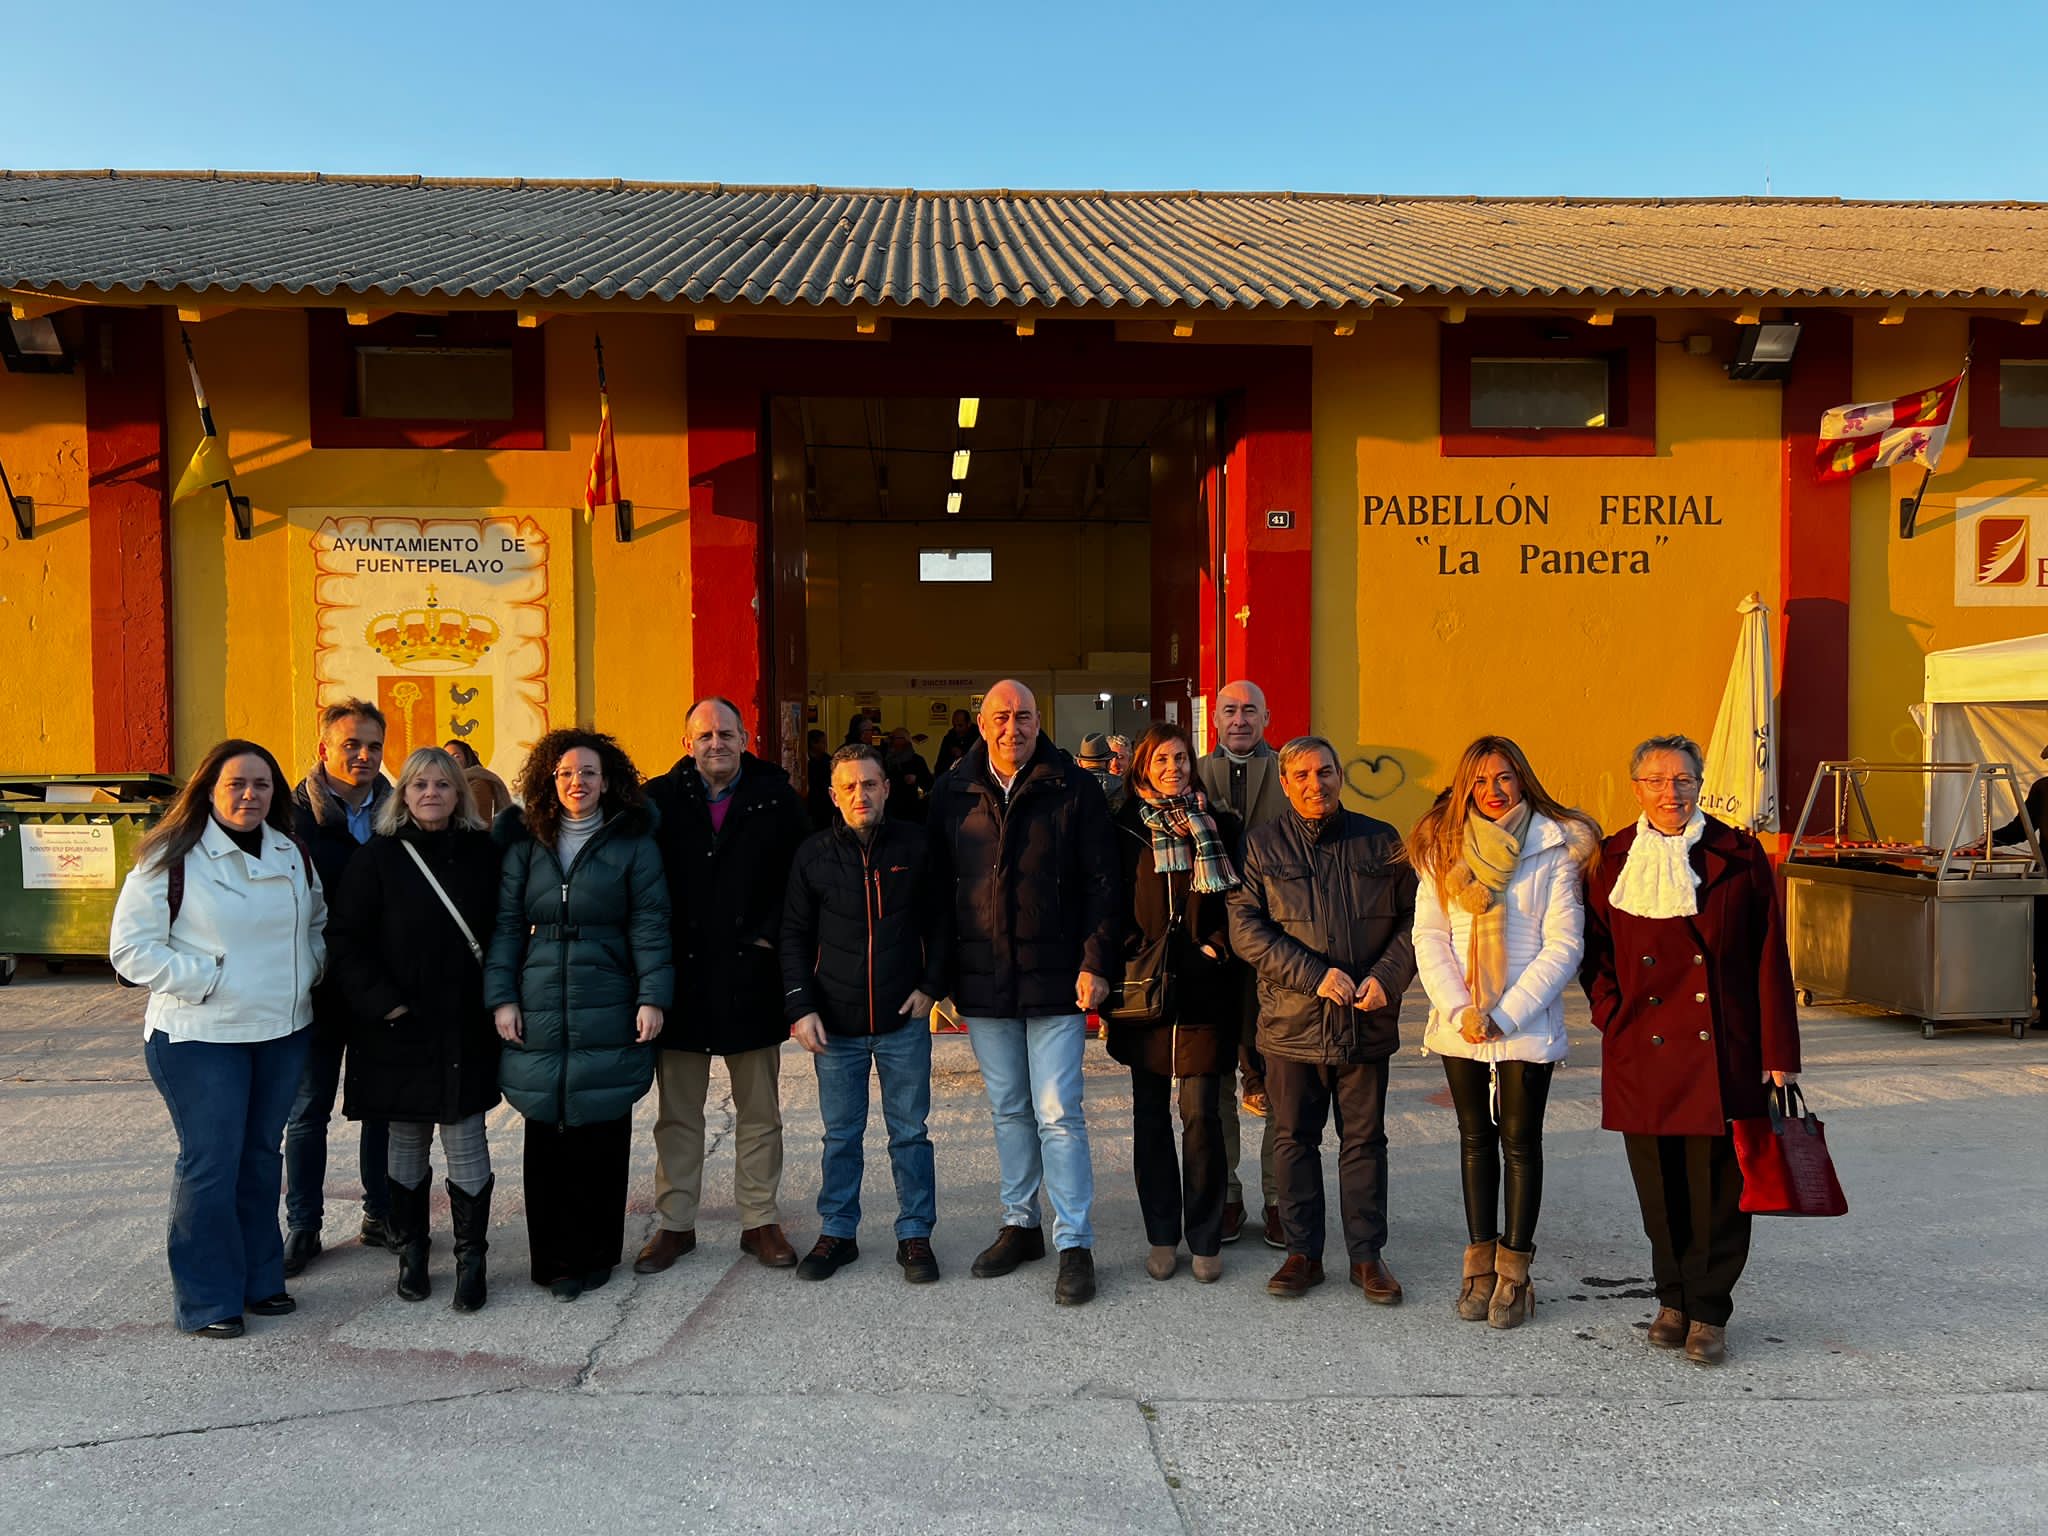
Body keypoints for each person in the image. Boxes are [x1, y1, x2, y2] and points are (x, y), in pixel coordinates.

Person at [1580, 733, 1802, 1366]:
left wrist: (1778, 1048)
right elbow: (1594, 948)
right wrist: (1610, 1013)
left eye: (1682, 780)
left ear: (1699, 784)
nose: (1669, 792)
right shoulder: (1611, 856)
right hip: (1641, 1048)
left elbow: (1769, 954)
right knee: (1659, 1187)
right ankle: (1671, 1299)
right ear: (1636, 787)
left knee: (1721, 1191)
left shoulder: (1739, 853)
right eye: (1656, 781)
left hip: (1724, 1044)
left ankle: (1710, 1311)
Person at [110, 740, 323, 1338]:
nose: (251, 795)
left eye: (262, 784)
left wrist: (310, 968)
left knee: (259, 1158)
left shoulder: (291, 852)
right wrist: (207, 978)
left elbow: (317, 922)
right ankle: (208, 1299)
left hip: (281, 1031)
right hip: (200, 1035)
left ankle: (261, 1280)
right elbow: (129, 949)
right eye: (237, 784)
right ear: (208, 790)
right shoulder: (171, 857)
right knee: (211, 1163)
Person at [927, 678, 1120, 1306]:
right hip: (983, 980)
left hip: (1059, 977)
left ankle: (1075, 1242)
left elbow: (1102, 884)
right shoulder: (952, 792)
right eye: (1002, 716)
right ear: (981, 724)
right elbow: (937, 889)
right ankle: (1020, 1224)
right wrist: (941, 977)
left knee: (1059, 1113)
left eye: (1026, 715)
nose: (1015, 727)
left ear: (1041, 722)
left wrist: (1096, 961)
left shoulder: (1075, 788)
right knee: (1009, 1110)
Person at [1407, 737, 1600, 1329]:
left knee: (1520, 1141)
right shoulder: (1443, 847)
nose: (1494, 791)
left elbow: (1565, 942)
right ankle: (1479, 1261)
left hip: (1524, 1018)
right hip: (1461, 1018)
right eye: (1482, 780)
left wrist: (1506, 1013)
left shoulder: (1553, 846)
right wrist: (1461, 1008)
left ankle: (1515, 1272)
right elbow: (1429, 936)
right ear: (1466, 785)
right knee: (1473, 1138)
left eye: (1506, 778)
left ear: (1523, 781)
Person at [484, 730, 673, 1301]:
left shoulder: (633, 842)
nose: (577, 783)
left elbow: (650, 922)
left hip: (609, 989)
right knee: (546, 1128)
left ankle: (595, 1255)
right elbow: (508, 926)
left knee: (603, 1127)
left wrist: (652, 996)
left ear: (607, 780)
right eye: (565, 772)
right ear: (550, 779)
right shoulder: (526, 842)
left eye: (588, 773)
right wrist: (502, 996)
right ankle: (553, 1259)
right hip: (539, 993)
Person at [1229, 735, 1417, 1304]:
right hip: (1293, 1027)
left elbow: (1417, 920)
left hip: (1365, 1023)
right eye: (1304, 776)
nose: (1318, 785)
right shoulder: (1261, 846)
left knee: (1364, 1144)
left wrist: (1386, 976)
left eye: (1326, 772)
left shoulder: (1380, 840)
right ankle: (1302, 1254)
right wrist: (1314, 976)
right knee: (1294, 1142)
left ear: (1341, 776)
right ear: (1285, 785)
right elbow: (1246, 929)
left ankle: (1367, 1257)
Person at [636, 697, 812, 1275]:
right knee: (678, 1115)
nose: (717, 743)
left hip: (750, 977)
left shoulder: (777, 798)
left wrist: (767, 939)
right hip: (681, 981)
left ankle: (759, 1221)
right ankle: (675, 1225)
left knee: (760, 1112)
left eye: (727, 733)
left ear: (745, 737)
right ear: (687, 743)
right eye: (705, 734)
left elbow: (800, 880)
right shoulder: (658, 801)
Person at [329, 747, 504, 1311]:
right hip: (396, 1025)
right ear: (403, 794)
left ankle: (470, 1258)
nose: (431, 793)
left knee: (465, 1137)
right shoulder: (376, 858)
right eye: (419, 784)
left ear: (459, 794)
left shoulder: (485, 854)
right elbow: (346, 939)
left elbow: (505, 930)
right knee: (404, 1141)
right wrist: (386, 1005)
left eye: (443, 785)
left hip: (463, 1022)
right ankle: (412, 1252)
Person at [780, 743, 950, 1283]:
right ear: (833, 795)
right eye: (849, 786)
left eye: (870, 784)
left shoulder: (917, 846)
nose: (861, 794)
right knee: (840, 1136)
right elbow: (792, 936)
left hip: (903, 1021)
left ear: (886, 788)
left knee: (909, 1133)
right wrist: (801, 1007)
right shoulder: (811, 855)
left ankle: (915, 1234)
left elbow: (943, 923)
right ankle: (837, 1232)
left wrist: (931, 986)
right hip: (836, 1025)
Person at [1104, 723, 1242, 1284]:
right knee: (1149, 1118)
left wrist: (1219, 947)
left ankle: (1205, 1235)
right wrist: (1130, 952)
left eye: (1182, 757)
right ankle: (1162, 1233)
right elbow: (1105, 902)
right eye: (1161, 758)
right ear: (1141, 765)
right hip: (1145, 990)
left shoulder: (1220, 825)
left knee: (1202, 1116)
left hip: (1206, 990)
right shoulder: (1121, 827)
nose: (1173, 767)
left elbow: (1242, 900)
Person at [283, 700, 393, 1276]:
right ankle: (304, 1225)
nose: (364, 755)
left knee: (380, 1108)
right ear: (324, 748)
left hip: (376, 987)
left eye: (373, 745)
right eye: (351, 744)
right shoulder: (291, 817)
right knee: (307, 1111)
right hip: (316, 989)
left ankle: (380, 1215)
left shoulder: (399, 810)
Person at [1197, 678, 1289, 1246]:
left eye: (1249, 710)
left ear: (1266, 716)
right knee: (1218, 1074)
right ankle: (1228, 1195)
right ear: (1216, 720)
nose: (1239, 719)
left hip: (1278, 942)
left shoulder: (1290, 770)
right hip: (1213, 945)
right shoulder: (1191, 774)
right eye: (1229, 710)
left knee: (1279, 1069)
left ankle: (1278, 1197)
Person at [1989, 744, 2048, 1018]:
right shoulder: (2042, 789)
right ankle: (2047, 1010)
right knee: (2044, 945)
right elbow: (2021, 828)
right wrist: (1989, 840)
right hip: (2046, 877)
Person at [445, 738, 514, 819]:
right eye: (446, 759)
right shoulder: (446, 785)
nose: (451, 762)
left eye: (456, 756)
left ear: (467, 758)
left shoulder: (478, 783)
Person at [884, 726, 934, 822]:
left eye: (894, 738)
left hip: (912, 810)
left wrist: (916, 779)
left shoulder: (917, 761)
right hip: (891, 809)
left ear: (904, 740)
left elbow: (929, 783)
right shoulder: (887, 761)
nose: (891, 742)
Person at [1077, 732, 1129, 813]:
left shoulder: (1068, 787)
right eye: (1112, 759)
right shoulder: (1127, 788)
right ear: (1108, 763)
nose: (1115, 764)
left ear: (1079, 762)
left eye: (1120, 758)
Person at [805, 728, 835, 831]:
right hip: (812, 803)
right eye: (822, 742)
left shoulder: (828, 761)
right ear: (813, 744)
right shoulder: (804, 761)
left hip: (825, 804)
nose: (825, 745)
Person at [933, 708, 977, 775]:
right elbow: (939, 766)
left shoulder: (979, 738)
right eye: (954, 725)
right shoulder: (949, 738)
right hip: (952, 779)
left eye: (960, 725)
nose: (957, 729)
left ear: (969, 724)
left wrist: (963, 755)